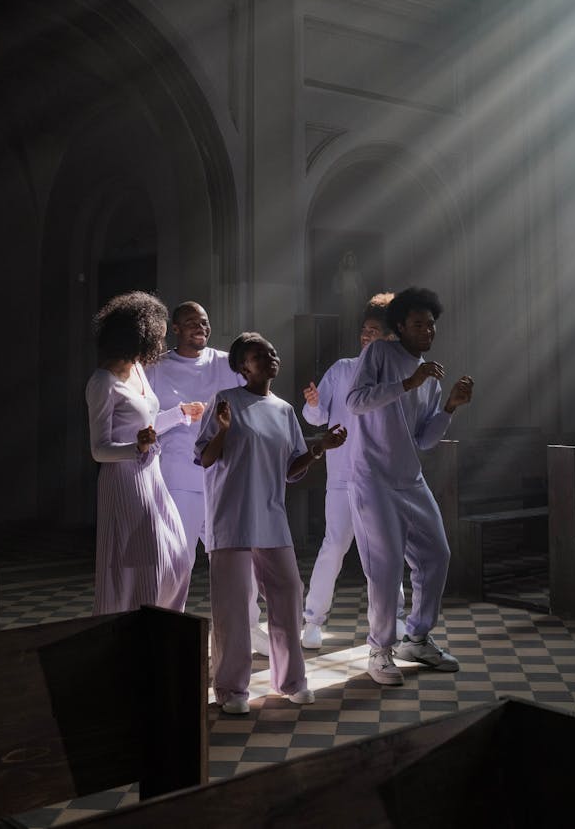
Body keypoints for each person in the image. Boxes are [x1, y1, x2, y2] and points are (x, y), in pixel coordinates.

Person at [194, 332, 347, 714]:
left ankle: (291, 680)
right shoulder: (226, 401)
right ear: (242, 366)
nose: (270, 357)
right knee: (231, 607)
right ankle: (230, 689)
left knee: (288, 594)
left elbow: (290, 469)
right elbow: (207, 458)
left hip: (271, 515)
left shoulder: (283, 410)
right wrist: (225, 430)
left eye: (272, 352)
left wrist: (318, 449)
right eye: (259, 355)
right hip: (231, 516)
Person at [346, 287, 474, 686]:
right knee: (385, 568)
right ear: (400, 326)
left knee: (436, 554)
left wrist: (450, 406)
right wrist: (406, 383)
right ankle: (379, 650)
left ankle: (416, 637)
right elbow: (355, 401)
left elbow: (423, 439)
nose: (427, 331)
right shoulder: (379, 354)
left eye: (431, 324)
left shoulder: (431, 375)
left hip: (409, 478)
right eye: (418, 324)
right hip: (372, 476)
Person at [148, 300, 269, 655]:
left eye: (203, 321)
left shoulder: (224, 363)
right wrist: (179, 413)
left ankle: (247, 626)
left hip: (223, 478)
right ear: (175, 329)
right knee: (178, 560)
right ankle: (170, 628)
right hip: (179, 478)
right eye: (190, 322)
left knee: (237, 559)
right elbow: (144, 424)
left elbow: (250, 405)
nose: (199, 327)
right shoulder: (156, 368)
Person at [86, 291, 205, 615]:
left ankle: (165, 626)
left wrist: (180, 413)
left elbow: (148, 424)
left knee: (178, 557)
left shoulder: (138, 369)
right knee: (146, 565)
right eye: (158, 337)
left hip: (151, 476)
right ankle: (135, 632)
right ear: (140, 335)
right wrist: (135, 448)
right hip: (124, 481)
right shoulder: (102, 383)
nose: (159, 345)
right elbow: (99, 450)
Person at [300, 293, 406, 649]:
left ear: (391, 337)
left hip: (380, 478)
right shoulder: (342, 369)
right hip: (343, 474)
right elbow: (316, 417)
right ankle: (313, 621)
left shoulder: (396, 375)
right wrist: (314, 404)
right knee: (334, 545)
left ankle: (396, 618)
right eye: (364, 330)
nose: (366, 336)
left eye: (374, 332)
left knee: (382, 551)